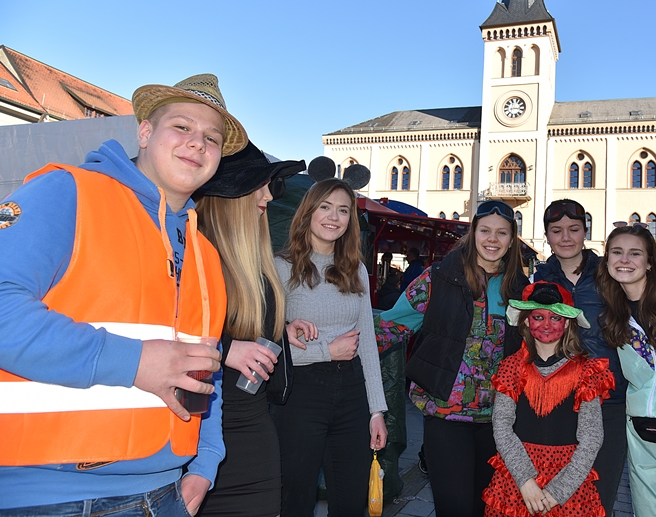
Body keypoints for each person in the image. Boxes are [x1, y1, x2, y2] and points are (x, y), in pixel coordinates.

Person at [0, 74, 246, 514]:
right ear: (145, 132)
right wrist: (134, 362)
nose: (198, 143)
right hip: (51, 497)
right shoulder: (68, 193)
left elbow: (206, 366)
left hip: (167, 491)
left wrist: (206, 460)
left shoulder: (205, 252)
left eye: (211, 138)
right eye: (182, 126)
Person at [376, 200, 529, 517]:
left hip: (499, 421)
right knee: (454, 507)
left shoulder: (519, 289)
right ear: (473, 233)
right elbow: (391, 326)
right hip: (445, 414)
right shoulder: (438, 278)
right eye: (485, 230)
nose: (492, 239)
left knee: (485, 508)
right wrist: (335, 348)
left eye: (502, 233)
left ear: (511, 239)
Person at [194, 141, 313, 517]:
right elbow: (154, 329)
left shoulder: (256, 265)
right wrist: (226, 349)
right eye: (259, 185)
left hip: (252, 436)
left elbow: (246, 328)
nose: (268, 196)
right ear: (227, 193)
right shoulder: (189, 252)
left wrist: (281, 331)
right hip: (194, 438)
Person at [273, 178, 388, 516]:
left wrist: (377, 412)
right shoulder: (280, 266)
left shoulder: (357, 269)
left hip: (352, 393)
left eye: (343, 210)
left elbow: (367, 344)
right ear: (308, 211)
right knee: (296, 499)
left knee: (351, 501)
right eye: (325, 207)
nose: (334, 217)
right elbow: (268, 345)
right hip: (300, 393)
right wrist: (326, 351)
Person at [482, 281, 613, 517]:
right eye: (538, 317)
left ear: (567, 323)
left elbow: (591, 437)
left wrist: (556, 493)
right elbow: (501, 426)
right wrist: (525, 481)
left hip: (568, 481)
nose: (546, 325)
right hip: (517, 478)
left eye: (555, 318)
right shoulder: (511, 367)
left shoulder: (586, 372)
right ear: (525, 321)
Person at [532, 199, 627, 514]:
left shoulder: (609, 274)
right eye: (556, 230)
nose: (566, 237)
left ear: (585, 231)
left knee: (600, 496)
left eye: (573, 229)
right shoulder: (539, 280)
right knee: (558, 497)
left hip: (609, 400)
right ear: (547, 235)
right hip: (561, 401)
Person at [595, 225, 656, 516]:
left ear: (649, 262)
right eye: (617, 252)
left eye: (635, 253)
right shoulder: (614, 314)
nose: (624, 260)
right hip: (642, 432)